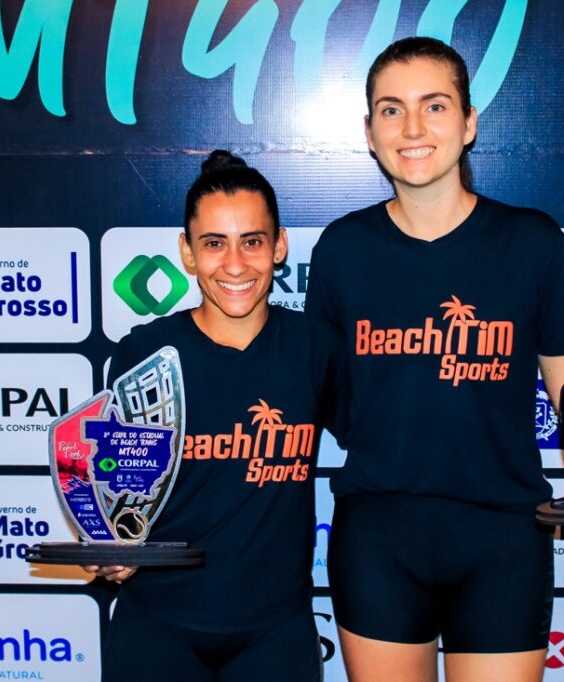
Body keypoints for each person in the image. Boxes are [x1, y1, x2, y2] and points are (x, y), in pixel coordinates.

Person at [304, 37, 564, 682]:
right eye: (391, 109)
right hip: (378, 537)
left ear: (468, 123)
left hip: (502, 537)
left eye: (434, 106)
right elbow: (320, 396)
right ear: (370, 132)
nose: (412, 128)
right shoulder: (343, 250)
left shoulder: (531, 242)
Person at [87, 151, 338, 682]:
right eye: (214, 243)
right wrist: (110, 547)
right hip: (157, 626)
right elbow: (119, 489)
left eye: (252, 241)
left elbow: (385, 444)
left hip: (276, 632)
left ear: (279, 246)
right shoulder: (146, 353)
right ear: (187, 251)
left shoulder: (315, 348)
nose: (235, 265)